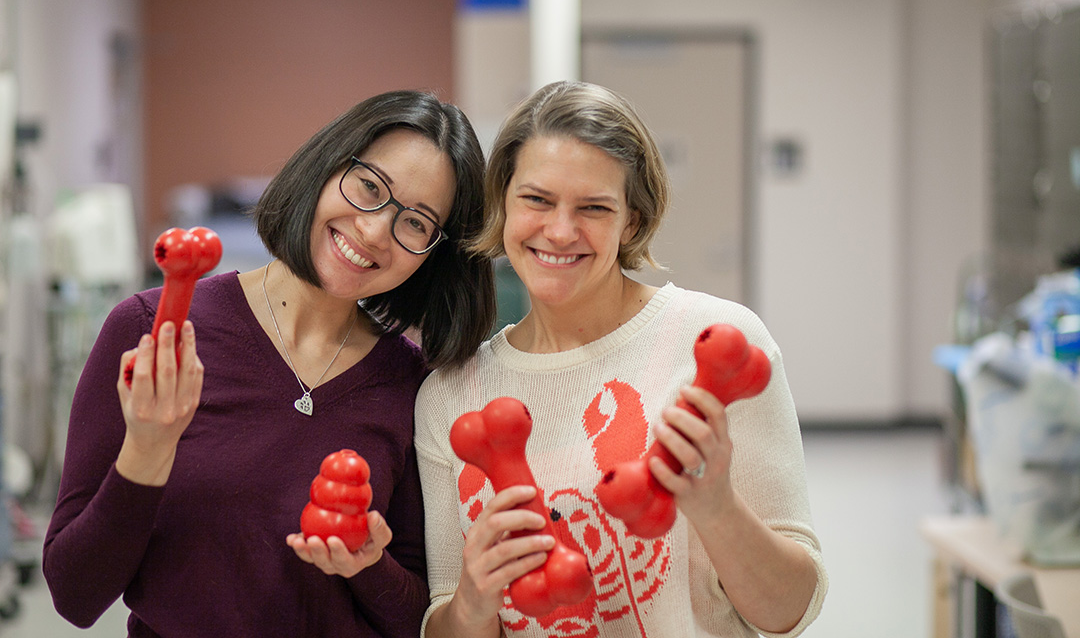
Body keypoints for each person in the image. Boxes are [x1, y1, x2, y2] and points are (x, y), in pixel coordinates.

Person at [43, 90, 497, 637]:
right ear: (327, 167)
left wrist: (367, 565)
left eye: (417, 223)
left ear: (433, 254)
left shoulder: (412, 385)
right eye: (370, 187)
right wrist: (147, 450)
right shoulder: (151, 333)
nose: (375, 231)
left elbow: (417, 622)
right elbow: (74, 594)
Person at [414, 81, 827, 638]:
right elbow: (447, 619)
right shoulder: (449, 397)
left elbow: (787, 612)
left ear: (631, 221)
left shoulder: (714, 343)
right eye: (536, 199)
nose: (560, 231)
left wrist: (715, 506)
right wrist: (471, 601)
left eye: (594, 207)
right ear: (502, 204)